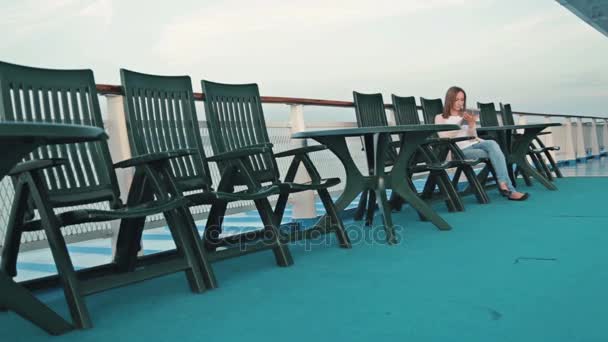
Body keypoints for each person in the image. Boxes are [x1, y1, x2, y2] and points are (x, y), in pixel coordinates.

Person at [434, 86, 529, 201]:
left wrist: (471, 124)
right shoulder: (440, 117)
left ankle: (503, 183)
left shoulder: (465, 115)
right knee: (496, 153)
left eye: (462, 99)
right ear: (450, 99)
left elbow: (472, 136)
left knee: (492, 144)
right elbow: (444, 137)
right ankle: (510, 190)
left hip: (472, 144)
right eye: (457, 99)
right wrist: (459, 124)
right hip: (458, 151)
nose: (460, 103)